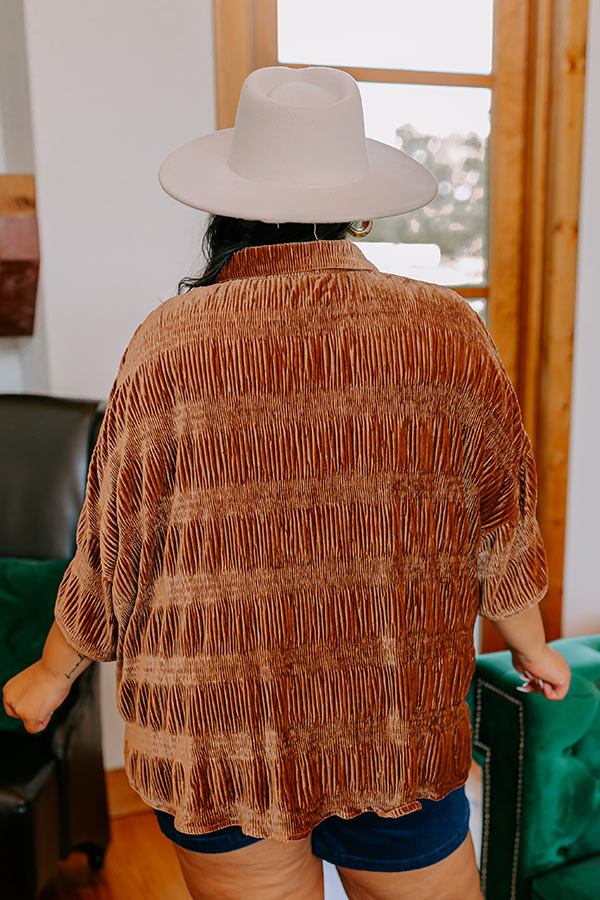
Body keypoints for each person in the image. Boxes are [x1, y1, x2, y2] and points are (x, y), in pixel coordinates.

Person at [2, 65, 571, 900]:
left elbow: (114, 541)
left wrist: (53, 672)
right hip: (390, 714)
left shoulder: (170, 340)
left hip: (213, 732)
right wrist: (528, 639)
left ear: (224, 207)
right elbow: (500, 518)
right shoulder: (447, 330)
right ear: (358, 206)